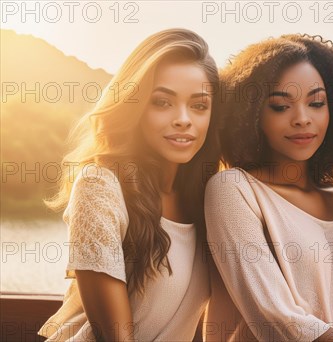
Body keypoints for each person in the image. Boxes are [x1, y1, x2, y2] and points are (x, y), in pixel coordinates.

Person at [38, 28, 220, 341]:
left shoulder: (209, 198)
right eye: (162, 102)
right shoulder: (99, 186)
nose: (183, 119)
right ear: (133, 106)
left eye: (199, 105)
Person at [203, 34, 333, 341]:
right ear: (252, 114)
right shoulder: (234, 190)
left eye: (316, 103)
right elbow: (276, 318)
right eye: (280, 106)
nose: (302, 119)